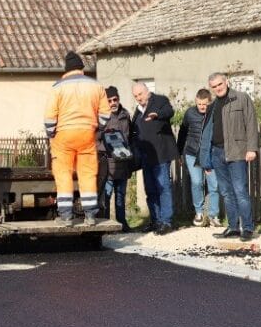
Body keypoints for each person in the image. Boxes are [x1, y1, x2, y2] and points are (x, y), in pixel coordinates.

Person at [44, 51, 110, 226]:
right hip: (87, 134)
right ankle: (90, 215)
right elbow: (105, 115)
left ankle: (66, 216)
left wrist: (51, 133)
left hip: (63, 136)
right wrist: (97, 129)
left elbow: (50, 117)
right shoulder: (96, 86)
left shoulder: (57, 87)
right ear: (81, 68)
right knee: (88, 173)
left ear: (66, 70)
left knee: (63, 172)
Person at [199, 73, 258, 242]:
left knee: (240, 191)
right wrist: (206, 159)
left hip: (238, 151)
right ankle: (233, 227)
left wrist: (252, 148)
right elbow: (207, 133)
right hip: (217, 153)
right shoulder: (213, 105)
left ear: (226, 82)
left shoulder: (241, 98)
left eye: (220, 84)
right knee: (226, 192)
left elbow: (251, 123)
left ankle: (247, 228)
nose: (218, 88)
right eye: (214, 86)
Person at [131, 83, 178, 235]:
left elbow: (169, 112)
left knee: (163, 188)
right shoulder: (137, 111)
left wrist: (157, 114)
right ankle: (155, 221)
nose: (138, 98)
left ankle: (166, 222)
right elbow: (134, 131)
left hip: (160, 154)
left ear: (147, 91)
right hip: (146, 156)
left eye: (140, 94)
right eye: (136, 96)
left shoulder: (160, 101)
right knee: (150, 190)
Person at [177, 89, 220, 227]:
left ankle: (213, 215)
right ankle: (199, 213)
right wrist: (178, 153)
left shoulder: (214, 113)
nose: (202, 107)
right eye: (200, 104)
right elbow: (182, 133)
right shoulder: (189, 113)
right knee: (197, 182)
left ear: (210, 102)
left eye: (205, 104)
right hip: (192, 154)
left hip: (210, 155)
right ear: (196, 101)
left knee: (214, 185)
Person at [96, 86, 132, 232]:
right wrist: (104, 147)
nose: (112, 103)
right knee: (106, 195)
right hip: (107, 161)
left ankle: (122, 222)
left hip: (123, 161)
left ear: (118, 99)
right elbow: (95, 138)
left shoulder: (125, 115)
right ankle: (105, 224)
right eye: (109, 100)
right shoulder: (101, 116)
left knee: (121, 195)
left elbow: (130, 137)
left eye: (114, 99)